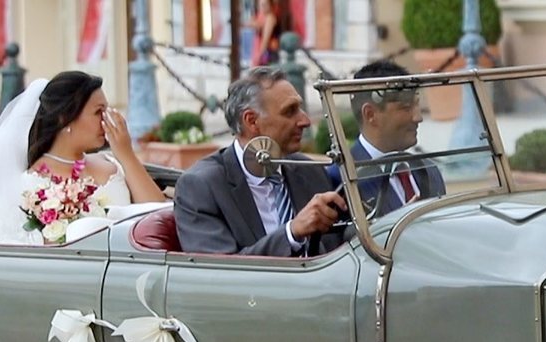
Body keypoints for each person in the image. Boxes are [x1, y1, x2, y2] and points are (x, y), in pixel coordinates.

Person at [174, 67, 345, 257]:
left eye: (300, 108)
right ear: (252, 121)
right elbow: (220, 271)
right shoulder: (201, 186)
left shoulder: (308, 170)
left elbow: (340, 244)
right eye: (290, 111)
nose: (305, 120)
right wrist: (291, 233)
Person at [0, 71, 166, 244]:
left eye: (107, 111)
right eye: (98, 112)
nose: (106, 120)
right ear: (64, 118)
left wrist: (126, 155)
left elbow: (157, 213)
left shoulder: (110, 163)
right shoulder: (31, 187)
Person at [329, 60, 445, 214]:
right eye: (406, 108)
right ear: (370, 115)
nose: (418, 117)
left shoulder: (429, 171)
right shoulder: (341, 179)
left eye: (417, 105)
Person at [251, 0, 288, 66]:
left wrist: (259, 55)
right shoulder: (263, 17)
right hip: (268, 53)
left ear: (270, 5)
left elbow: (265, 39)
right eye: (261, 5)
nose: (262, 7)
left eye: (264, 4)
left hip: (268, 54)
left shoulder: (270, 17)